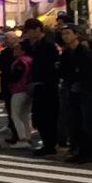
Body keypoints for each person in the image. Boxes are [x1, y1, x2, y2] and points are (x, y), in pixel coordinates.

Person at [57, 25, 92, 163]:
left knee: (86, 122)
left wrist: (76, 78)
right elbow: (62, 70)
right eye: (63, 34)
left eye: (68, 33)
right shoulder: (67, 52)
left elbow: (88, 72)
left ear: (76, 35)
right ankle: (79, 150)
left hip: (84, 91)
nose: (65, 36)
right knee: (75, 121)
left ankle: (88, 152)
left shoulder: (83, 51)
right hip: (72, 89)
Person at [23, 19, 60, 155]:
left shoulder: (48, 45)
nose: (28, 34)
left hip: (47, 85)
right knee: (39, 117)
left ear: (38, 30)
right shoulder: (32, 45)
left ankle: (50, 145)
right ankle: (48, 143)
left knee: (47, 116)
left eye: (30, 31)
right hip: (37, 85)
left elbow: (52, 67)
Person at [0, 29, 33, 148]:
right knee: (24, 115)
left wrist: (6, 77)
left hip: (18, 90)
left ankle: (22, 139)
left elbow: (14, 77)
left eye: (17, 49)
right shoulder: (29, 61)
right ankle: (27, 138)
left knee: (16, 115)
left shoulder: (20, 62)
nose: (14, 50)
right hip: (27, 90)